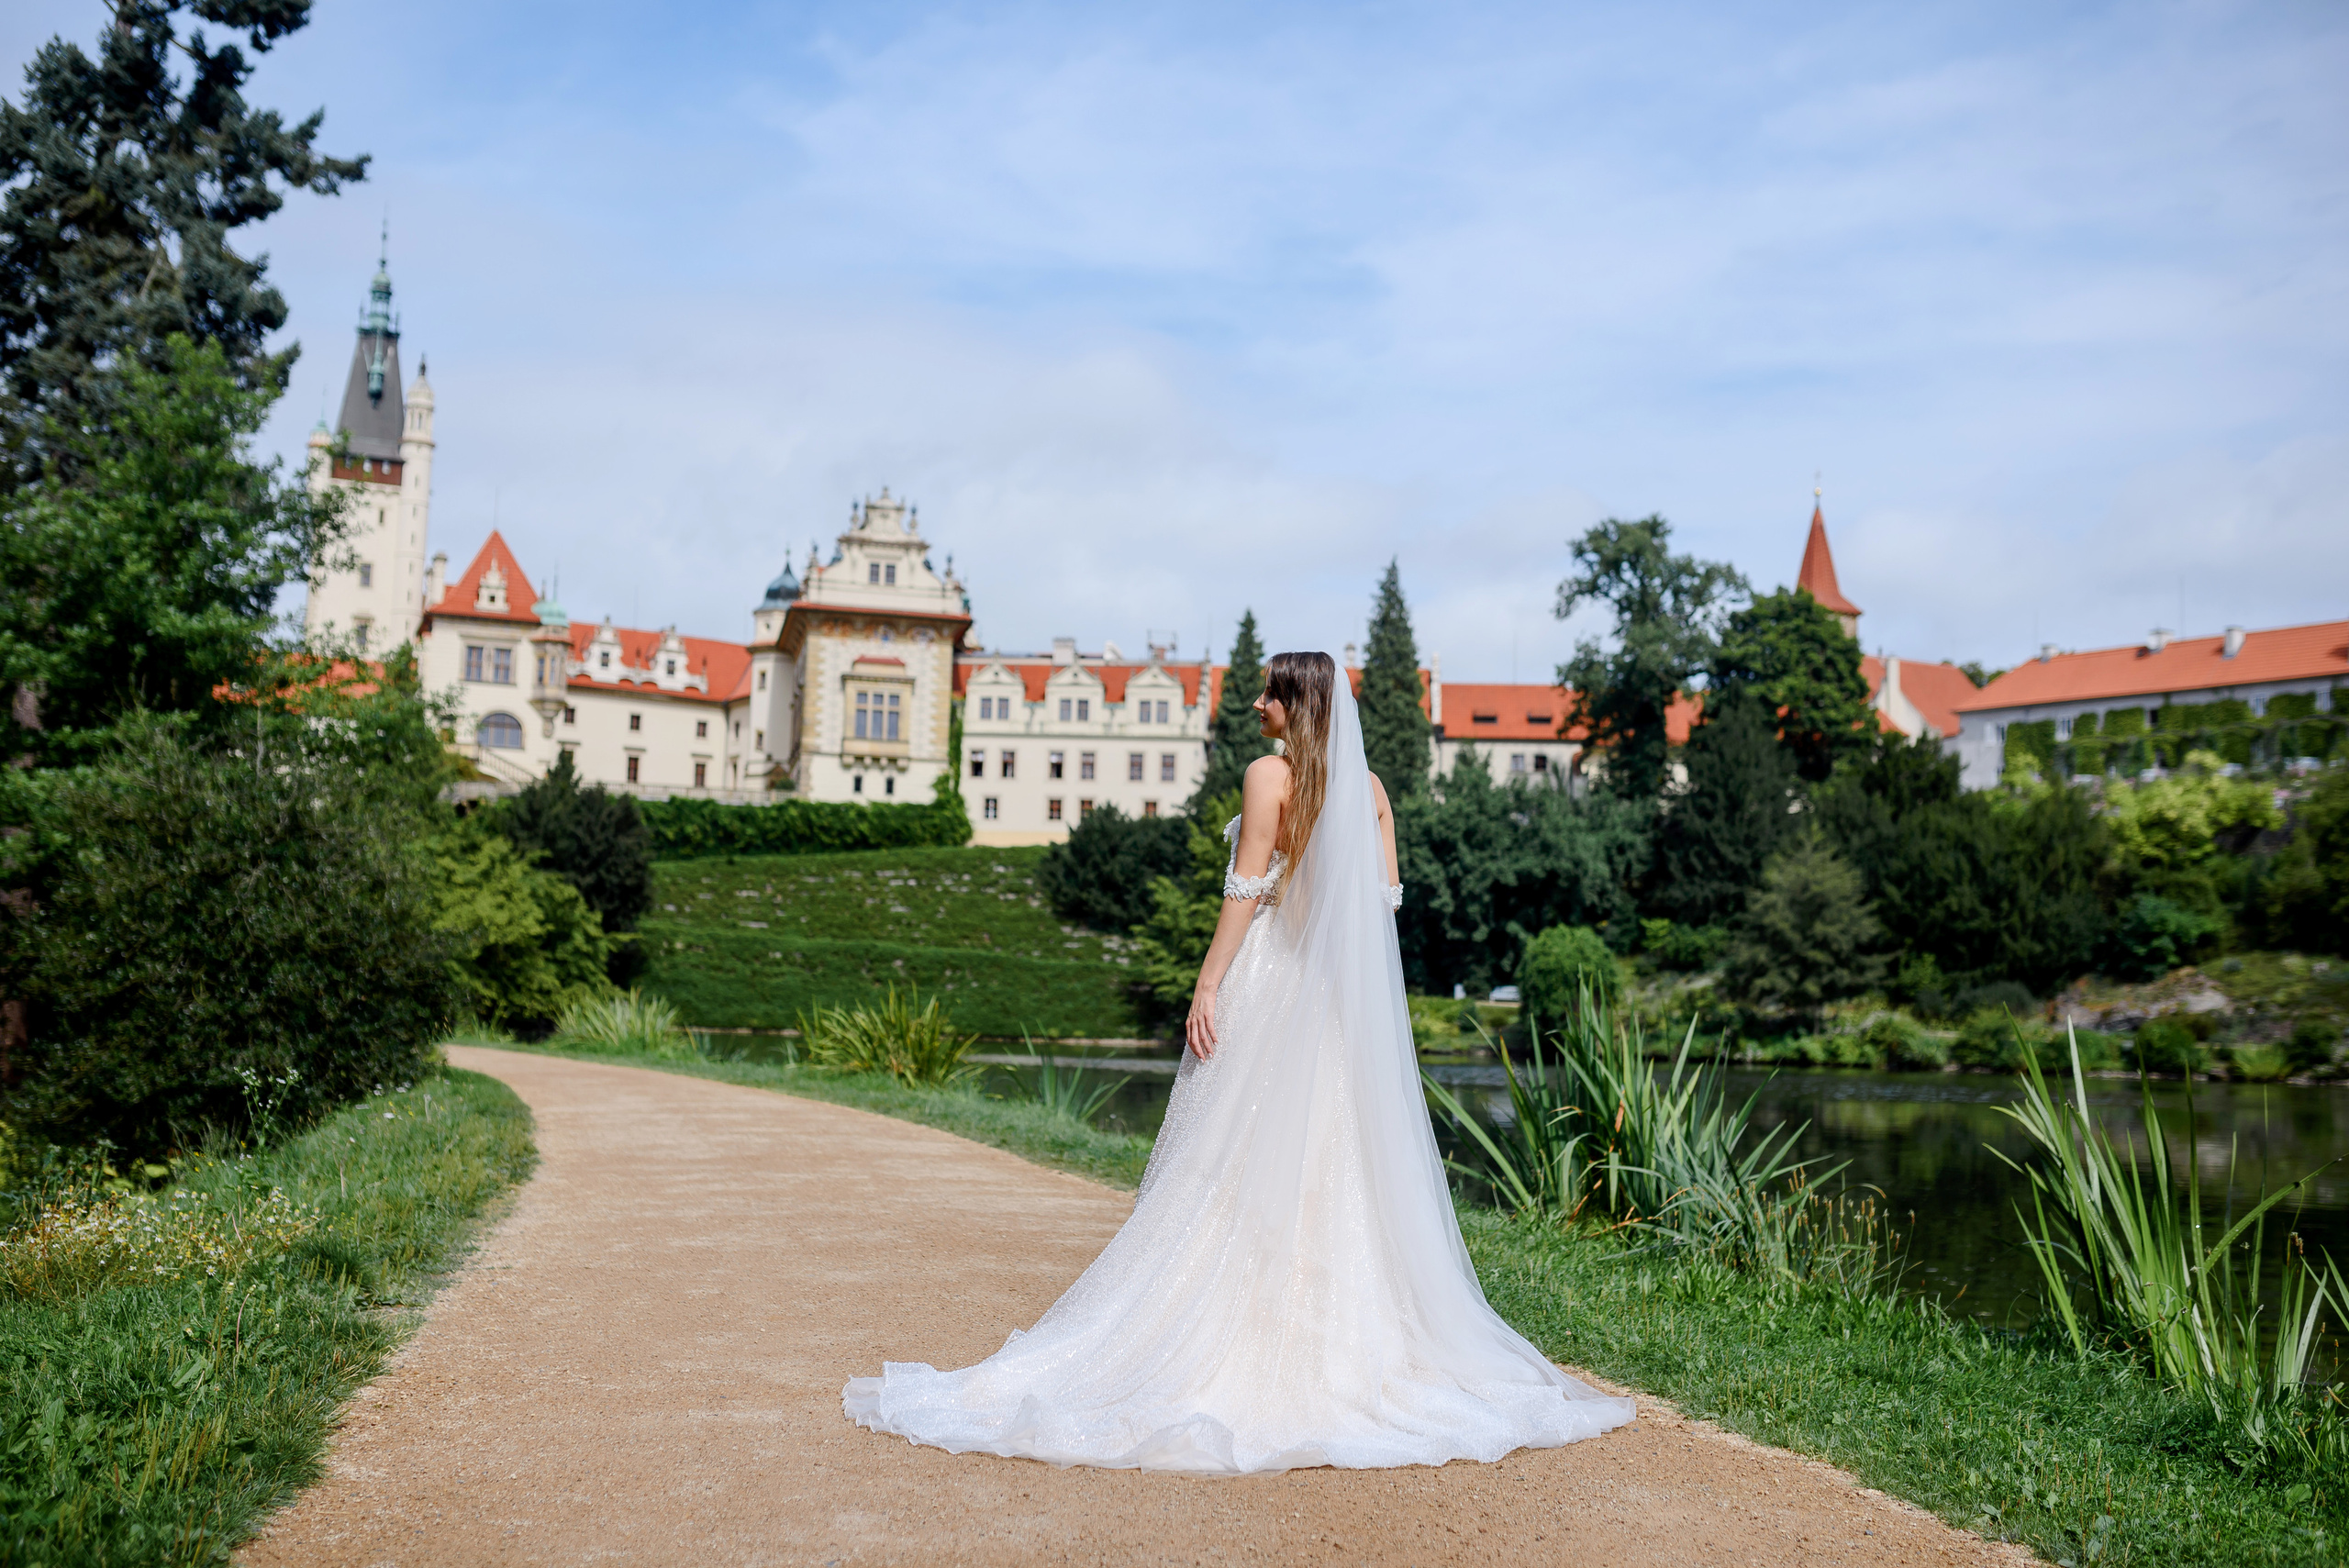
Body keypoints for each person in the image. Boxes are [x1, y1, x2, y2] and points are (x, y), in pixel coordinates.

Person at [844, 651, 1633, 1473]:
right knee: (1337, 1163)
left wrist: (1208, 983)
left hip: (1270, 983)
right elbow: (1385, 904)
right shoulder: (1370, 794)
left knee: (1223, 1156)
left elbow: (1244, 891)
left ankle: (1230, 1328)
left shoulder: (1269, 777)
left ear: (1299, 706)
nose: (1256, 703)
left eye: (1269, 693)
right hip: (1333, 1006)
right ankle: (1342, 1341)